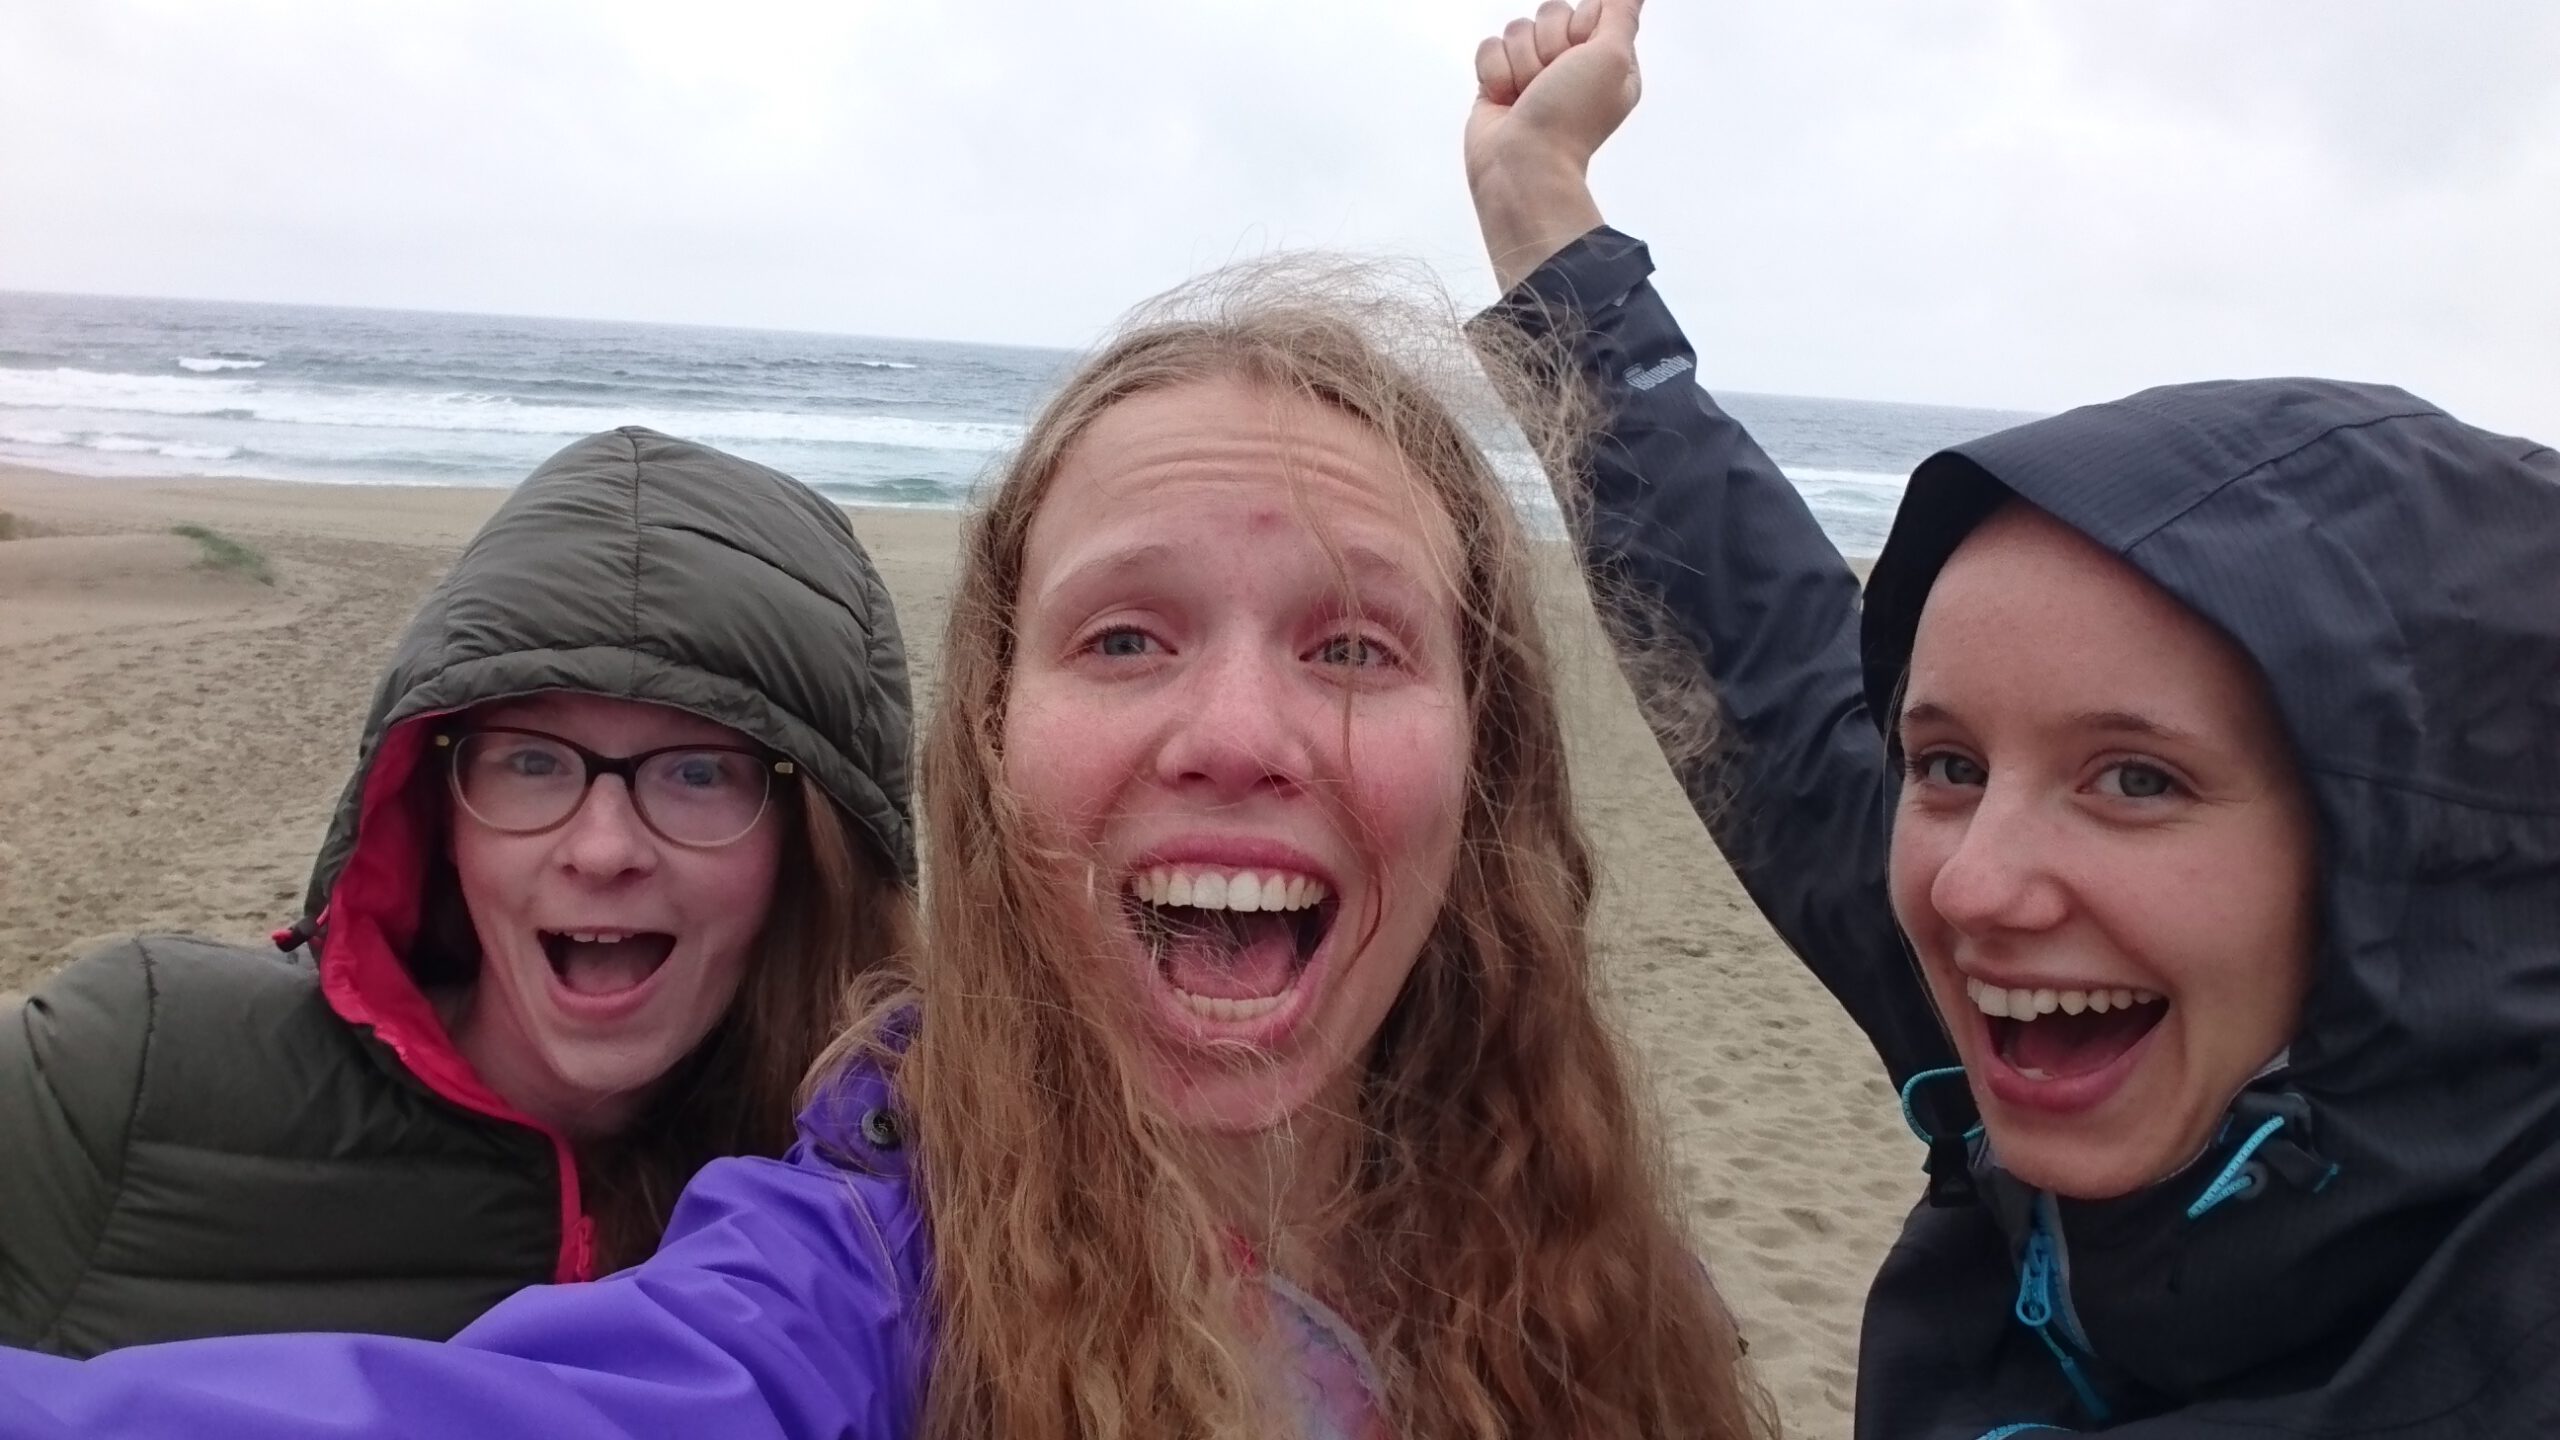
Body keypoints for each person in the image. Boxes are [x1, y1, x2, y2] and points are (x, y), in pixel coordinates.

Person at [0, 270, 1773, 1440]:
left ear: (1492, 759)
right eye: (1128, 639)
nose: (1240, 732)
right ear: (989, 756)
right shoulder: (861, 1259)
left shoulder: (1605, 1279)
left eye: (1355, 647)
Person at [1467, 2, 2560, 1435]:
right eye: (1947, 763)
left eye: (2137, 780)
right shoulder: (2064, 1020)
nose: (1971, 885)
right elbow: (1775, 684)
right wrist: (1540, 213)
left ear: (2401, 850)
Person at [0, 426, 917, 1356]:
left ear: (811, 846)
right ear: (438, 810)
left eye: (697, 774)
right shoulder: (129, 1077)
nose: (601, 849)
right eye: (530, 761)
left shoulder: (912, 1212)